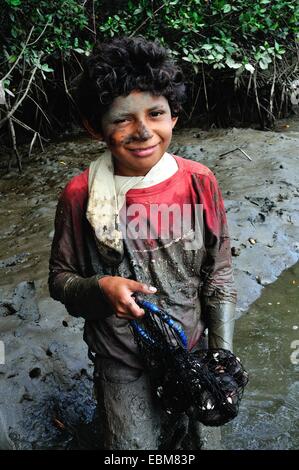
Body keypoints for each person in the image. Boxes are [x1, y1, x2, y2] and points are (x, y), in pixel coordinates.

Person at [48, 36, 237, 450]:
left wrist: (221, 361)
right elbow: (60, 280)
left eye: (156, 113)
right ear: (94, 126)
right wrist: (100, 289)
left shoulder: (199, 182)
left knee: (207, 442)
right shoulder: (80, 195)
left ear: (175, 116)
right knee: (132, 448)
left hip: (192, 349)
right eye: (122, 120)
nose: (143, 131)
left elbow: (219, 274)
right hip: (121, 360)